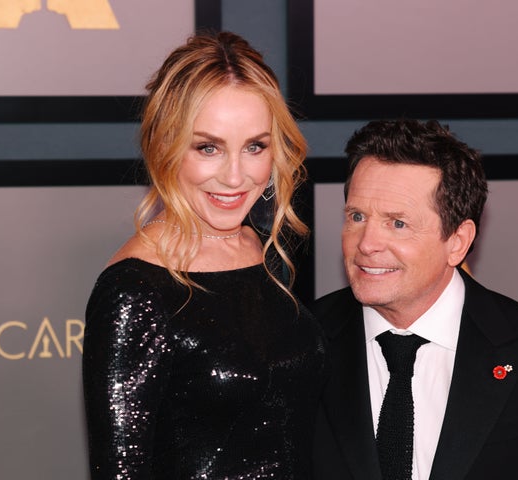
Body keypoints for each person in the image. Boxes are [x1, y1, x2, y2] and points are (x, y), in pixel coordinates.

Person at [312, 119, 518, 480]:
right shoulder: (300, 341)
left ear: (457, 241)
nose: (366, 243)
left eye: (397, 224)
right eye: (357, 216)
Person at [82, 31, 326, 480]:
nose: (235, 177)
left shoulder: (262, 249)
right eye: (208, 147)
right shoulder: (135, 292)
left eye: (255, 146)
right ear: (165, 146)